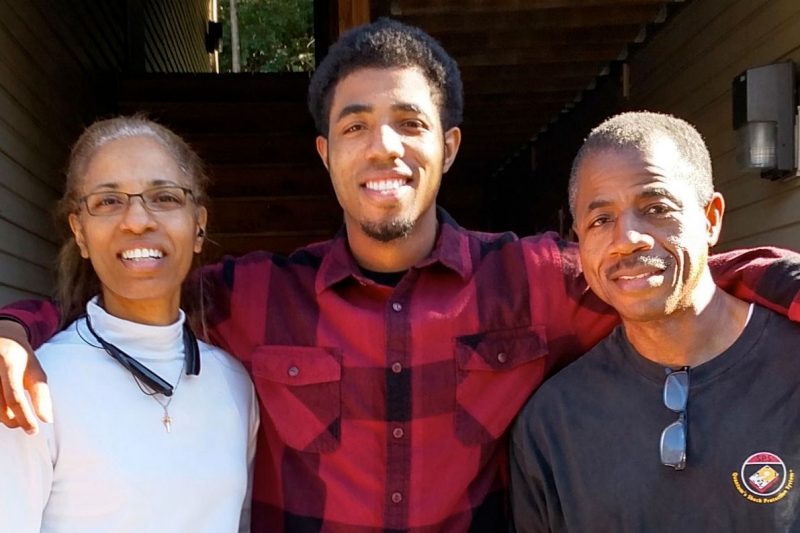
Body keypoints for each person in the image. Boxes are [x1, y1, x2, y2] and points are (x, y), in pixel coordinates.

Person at [0, 20, 799, 532]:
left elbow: (663, 270)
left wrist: (783, 281)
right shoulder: (254, 299)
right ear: (325, 154)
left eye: (410, 122)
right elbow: (130, 294)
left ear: (448, 147)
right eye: (355, 126)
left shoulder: (530, 281)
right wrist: (14, 330)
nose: (384, 147)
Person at [510, 112, 800, 532]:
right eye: (601, 220)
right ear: (579, 240)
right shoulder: (554, 423)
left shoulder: (790, 368)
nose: (628, 238)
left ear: (711, 218)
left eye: (656, 207)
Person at [0, 116, 259, 532]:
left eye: (165, 198)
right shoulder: (35, 388)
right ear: (80, 233)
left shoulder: (234, 385)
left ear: (199, 225)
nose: (137, 220)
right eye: (108, 202)